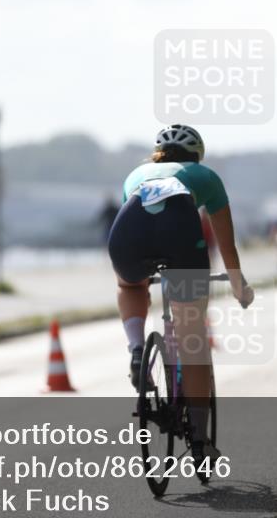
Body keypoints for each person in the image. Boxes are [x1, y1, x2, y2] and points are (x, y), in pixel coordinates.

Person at [107, 124, 254, 465]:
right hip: (180, 234)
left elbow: (140, 218)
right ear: (197, 155)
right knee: (193, 342)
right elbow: (227, 245)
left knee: (129, 284)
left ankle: (136, 348)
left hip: (129, 233)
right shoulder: (205, 176)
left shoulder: (136, 173)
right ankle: (200, 443)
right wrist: (239, 287)